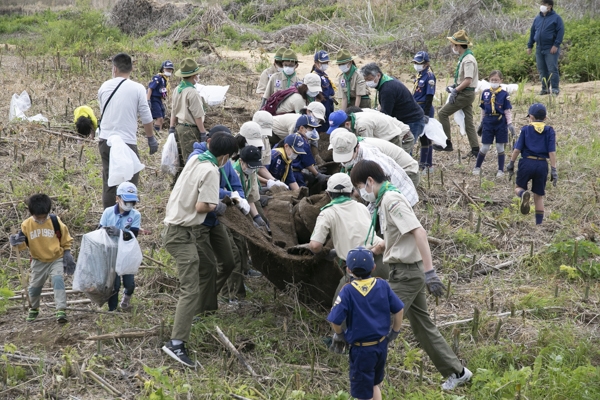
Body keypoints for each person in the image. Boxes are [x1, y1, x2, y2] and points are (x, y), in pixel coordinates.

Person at [349, 160, 473, 390]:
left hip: (407, 274)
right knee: (422, 325)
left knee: (378, 319)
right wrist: (376, 248)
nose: (360, 193)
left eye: (360, 187)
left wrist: (430, 273)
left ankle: (366, 379)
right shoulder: (385, 198)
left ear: (369, 181)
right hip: (403, 271)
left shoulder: (391, 200)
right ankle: (458, 372)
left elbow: (419, 232)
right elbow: (397, 236)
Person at [162, 132, 238, 367]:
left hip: (175, 227)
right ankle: (176, 344)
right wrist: (216, 204)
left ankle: (181, 333)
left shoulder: (197, 159)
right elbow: (202, 205)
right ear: (225, 157)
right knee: (190, 289)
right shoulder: (212, 170)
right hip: (179, 234)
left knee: (196, 281)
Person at [327, 246, 404, 400]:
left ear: (348, 269)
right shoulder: (382, 285)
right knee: (374, 384)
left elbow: (335, 320)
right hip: (381, 346)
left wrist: (341, 334)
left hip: (362, 350)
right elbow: (399, 309)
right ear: (374, 267)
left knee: (363, 393)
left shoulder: (347, 291)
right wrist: (394, 332)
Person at [308, 173, 389, 303]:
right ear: (352, 191)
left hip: (359, 266)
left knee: (340, 311)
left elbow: (315, 245)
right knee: (381, 304)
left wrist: (323, 253)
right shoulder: (362, 207)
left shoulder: (327, 213)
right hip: (382, 260)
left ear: (328, 194)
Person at [98, 53, 157, 209]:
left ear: (114, 69)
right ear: (132, 68)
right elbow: (146, 116)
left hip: (105, 140)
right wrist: (151, 138)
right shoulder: (137, 88)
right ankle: (128, 217)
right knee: (130, 181)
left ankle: (109, 219)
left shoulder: (104, 86)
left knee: (110, 181)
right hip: (127, 142)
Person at [9, 194, 75, 323]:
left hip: (56, 258)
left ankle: (61, 309)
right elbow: (21, 246)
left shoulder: (55, 221)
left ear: (48, 212)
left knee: (58, 280)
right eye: (37, 218)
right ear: (31, 213)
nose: (41, 220)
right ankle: (34, 308)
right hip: (38, 261)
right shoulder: (26, 225)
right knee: (34, 287)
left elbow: (66, 238)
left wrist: (67, 253)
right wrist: (15, 242)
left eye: (43, 217)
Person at [329, 128, 418, 207]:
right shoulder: (357, 155)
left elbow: (380, 194)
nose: (344, 161)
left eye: (347, 156)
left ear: (357, 147)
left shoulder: (371, 162)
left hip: (400, 198)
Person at [227, 145, 269, 299]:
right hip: (230, 210)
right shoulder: (234, 171)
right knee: (236, 246)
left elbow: (250, 197)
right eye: (250, 166)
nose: (252, 169)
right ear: (242, 162)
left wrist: (257, 217)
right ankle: (236, 284)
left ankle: (245, 269)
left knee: (244, 240)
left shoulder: (250, 172)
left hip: (243, 208)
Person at [506, 103, 557, 225]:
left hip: (527, 162)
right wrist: (554, 169)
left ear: (531, 117)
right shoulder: (550, 131)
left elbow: (517, 149)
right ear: (545, 118)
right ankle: (539, 224)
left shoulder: (525, 129)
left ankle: (523, 194)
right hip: (542, 165)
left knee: (518, 187)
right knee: (538, 196)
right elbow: (552, 152)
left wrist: (511, 163)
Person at [360, 62, 426, 155]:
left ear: (378, 75)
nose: (368, 82)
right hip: (404, 118)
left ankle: (408, 168)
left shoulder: (387, 89)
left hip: (412, 120)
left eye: (369, 79)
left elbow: (385, 115)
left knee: (404, 150)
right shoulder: (385, 81)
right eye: (365, 80)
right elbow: (383, 105)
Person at [435, 30, 479, 157]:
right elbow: (463, 79)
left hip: (465, 94)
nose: (452, 47)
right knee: (468, 122)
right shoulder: (465, 58)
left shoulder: (468, 60)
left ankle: (446, 142)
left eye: (453, 44)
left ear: (458, 45)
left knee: (442, 113)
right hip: (465, 93)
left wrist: (456, 90)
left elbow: (468, 80)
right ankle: (475, 149)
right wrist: (454, 86)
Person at [98, 182, 141, 311]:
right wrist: (104, 231)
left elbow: (133, 234)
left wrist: (120, 233)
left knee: (129, 283)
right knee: (114, 284)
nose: (129, 205)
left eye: (132, 202)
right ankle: (112, 309)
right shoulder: (108, 212)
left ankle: (126, 301)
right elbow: (99, 231)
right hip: (111, 253)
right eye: (126, 201)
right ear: (117, 198)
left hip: (126, 252)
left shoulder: (135, 215)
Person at [168, 58, 208, 174]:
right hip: (190, 130)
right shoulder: (192, 92)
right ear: (193, 75)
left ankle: (176, 186)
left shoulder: (178, 89)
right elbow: (198, 116)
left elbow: (173, 111)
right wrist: (202, 132)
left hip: (179, 128)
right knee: (191, 161)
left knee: (180, 161)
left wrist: (171, 127)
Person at [473, 71, 514, 178]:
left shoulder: (504, 94)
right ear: (489, 80)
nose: (494, 82)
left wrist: (509, 124)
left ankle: (500, 170)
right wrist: (481, 123)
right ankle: (477, 167)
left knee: (500, 147)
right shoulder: (485, 93)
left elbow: (507, 110)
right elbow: (483, 110)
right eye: (492, 80)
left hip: (500, 122)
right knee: (485, 146)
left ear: (501, 81)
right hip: (488, 122)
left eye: (496, 80)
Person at [527, 1, 564, 95]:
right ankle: (545, 88)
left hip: (550, 47)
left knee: (552, 68)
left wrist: (556, 45)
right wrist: (530, 45)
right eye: (541, 4)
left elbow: (560, 32)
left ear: (550, 7)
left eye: (545, 4)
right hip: (539, 47)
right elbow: (533, 32)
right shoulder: (537, 18)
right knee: (542, 70)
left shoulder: (556, 18)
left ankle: (555, 88)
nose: (542, 6)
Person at [283, 115, 329, 187]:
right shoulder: (301, 141)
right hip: (295, 173)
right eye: (311, 128)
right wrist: (317, 174)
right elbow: (307, 163)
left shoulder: (294, 137)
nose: (313, 131)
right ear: (301, 128)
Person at [327, 108, 411, 148]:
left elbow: (368, 146)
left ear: (347, 124)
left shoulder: (362, 125)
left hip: (391, 139)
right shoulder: (353, 119)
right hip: (380, 138)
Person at [411, 51, 436, 174]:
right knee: (423, 136)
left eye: (419, 63)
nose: (416, 65)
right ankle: (428, 164)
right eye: (415, 62)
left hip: (424, 107)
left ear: (426, 63)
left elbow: (429, 96)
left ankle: (425, 164)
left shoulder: (429, 76)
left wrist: (425, 113)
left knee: (426, 136)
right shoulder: (419, 75)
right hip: (416, 107)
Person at [311, 50, 336, 132]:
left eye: (326, 62)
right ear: (316, 63)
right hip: (321, 107)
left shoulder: (324, 75)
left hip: (328, 106)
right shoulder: (314, 76)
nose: (325, 64)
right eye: (323, 62)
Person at [147, 60, 174, 133]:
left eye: (170, 70)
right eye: (167, 69)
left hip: (159, 99)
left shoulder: (165, 80)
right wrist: (148, 100)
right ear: (163, 69)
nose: (169, 71)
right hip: (154, 99)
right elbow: (150, 88)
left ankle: (160, 131)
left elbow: (163, 91)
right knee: (159, 117)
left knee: (162, 116)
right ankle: (156, 132)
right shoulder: (158, 77)